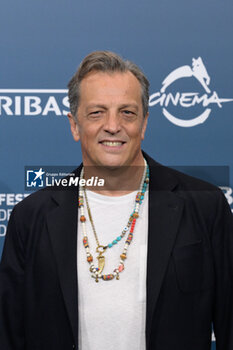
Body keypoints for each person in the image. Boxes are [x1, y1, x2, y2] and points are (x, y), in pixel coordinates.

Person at [0, 51, 232, 350]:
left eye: (127, 112)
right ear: (74, 125)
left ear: (144, 123)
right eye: (97, 112)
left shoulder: (204, 205)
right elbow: (9, 334)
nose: (113, 125)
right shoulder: (31, 216)